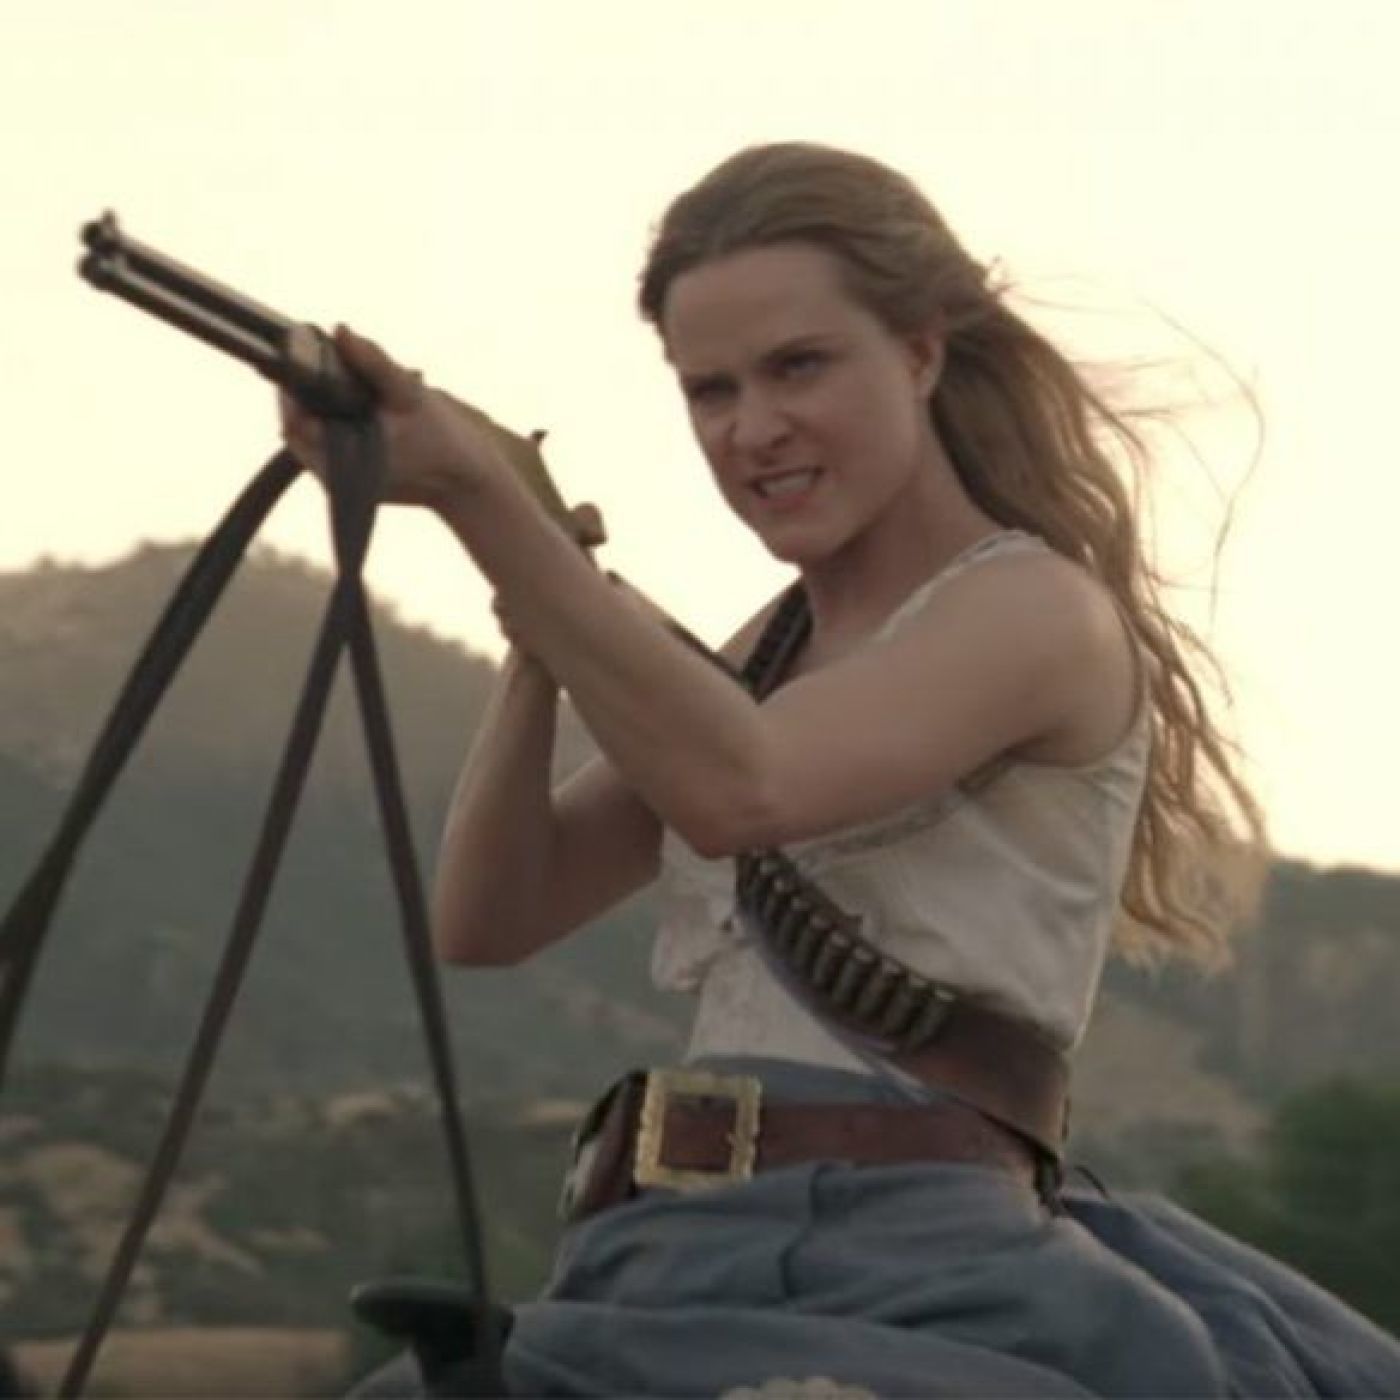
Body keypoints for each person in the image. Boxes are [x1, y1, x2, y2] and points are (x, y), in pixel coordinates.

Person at [283, 144, 1400, 1397]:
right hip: (665, 1240)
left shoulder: (1029, 609)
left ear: (919, 351)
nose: (751, 428)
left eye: (798, 365)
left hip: (913, 1245)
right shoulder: (766, 650)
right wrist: (544, 617)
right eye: (709, 390)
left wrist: (483, 498)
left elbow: (744, 789)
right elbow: (490, 914)